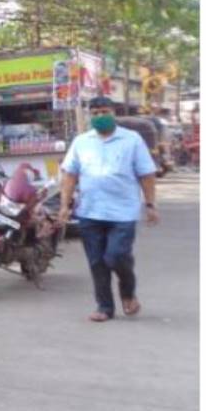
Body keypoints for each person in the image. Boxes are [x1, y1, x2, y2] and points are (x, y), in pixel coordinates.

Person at [57, 96, 159, 322]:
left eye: (104, 111)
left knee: (116, 256)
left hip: (123, 213)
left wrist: (150, 204)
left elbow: (146, 174)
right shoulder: (81, 142)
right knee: (97, 262)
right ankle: (104, 307)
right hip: (90, 212)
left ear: (113, 113)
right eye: (94, 113)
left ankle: (128, 292)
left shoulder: (131, 140)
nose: (99, 116)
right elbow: (70, 174)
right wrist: (64, 205)